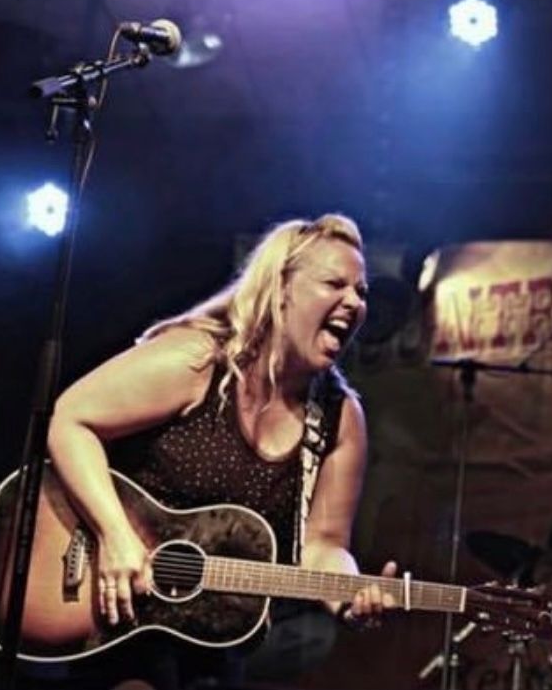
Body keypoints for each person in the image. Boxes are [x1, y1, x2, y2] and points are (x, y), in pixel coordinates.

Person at [40, 213, 396, 689]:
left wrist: (349, 593)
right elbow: (70, 419)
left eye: (362, 291)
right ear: (280, 289)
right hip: (117, 614)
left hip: (212, 641)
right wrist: (116, 535)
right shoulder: (199, 361)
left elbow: (324, 544)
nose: (354, 302)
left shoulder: (339, 415)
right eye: (335, 284)